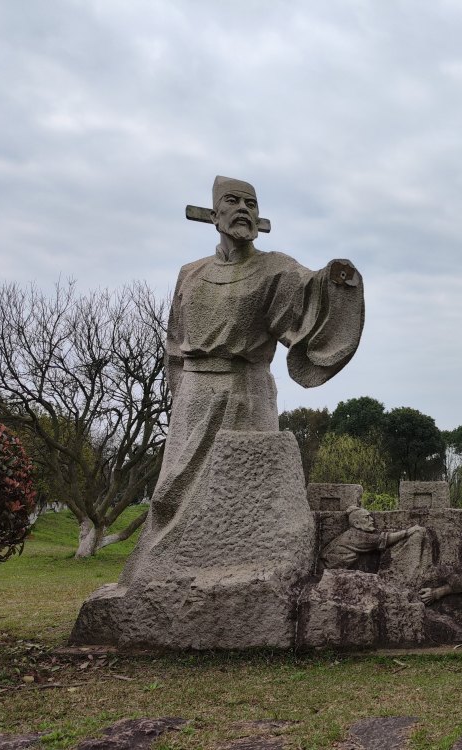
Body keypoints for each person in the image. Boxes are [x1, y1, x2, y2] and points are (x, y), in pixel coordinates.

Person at [121, 175, 364, 584]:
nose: (243, 210)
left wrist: (337, 279)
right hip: (194, 395)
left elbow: (312, 292)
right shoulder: (191, 274)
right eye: (232, 202)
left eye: (251, 204)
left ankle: (251, 573)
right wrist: (179, 396)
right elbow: (174, 344)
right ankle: (164, 574)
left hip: (247, 392)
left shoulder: (276, 269)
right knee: (171, 496)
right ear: (214, 214)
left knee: (243, 496)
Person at [321, 506, 425, 572]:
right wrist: (408, 532)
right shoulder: (355, 535)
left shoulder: (353, 533)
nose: (372, 520)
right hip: (328, 569)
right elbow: (383, 539)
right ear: (357, 523)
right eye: (366, 517)